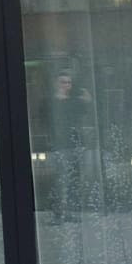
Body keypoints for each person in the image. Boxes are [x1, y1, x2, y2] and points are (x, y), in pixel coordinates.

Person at [45, 70, 94, 221]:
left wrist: (87, 100)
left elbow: (85, 110)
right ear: (56, 83)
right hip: (60, 145)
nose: (66, 85)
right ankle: (58, 213)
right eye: (63, 82)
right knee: (60, 180)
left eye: (68, 82)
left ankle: (70, 213)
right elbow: (45, 121)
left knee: (74, 180)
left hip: (75, 144)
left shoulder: (74, 101)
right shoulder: (50, 102)